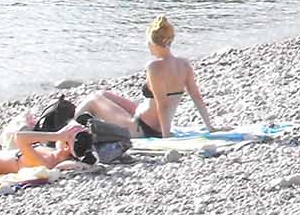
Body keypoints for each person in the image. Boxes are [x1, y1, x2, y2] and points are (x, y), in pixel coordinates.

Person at [78, 15, 216, 140]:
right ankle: (81, 125)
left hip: (140, 128)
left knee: (93, 98)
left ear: (151, 42)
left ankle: (72, 127)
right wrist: (210, 127)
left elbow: (163, 104)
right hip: (147, 119)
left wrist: (166, 136)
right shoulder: (184, 64)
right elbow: (196, 97)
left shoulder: (154, 67)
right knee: (103, 94)